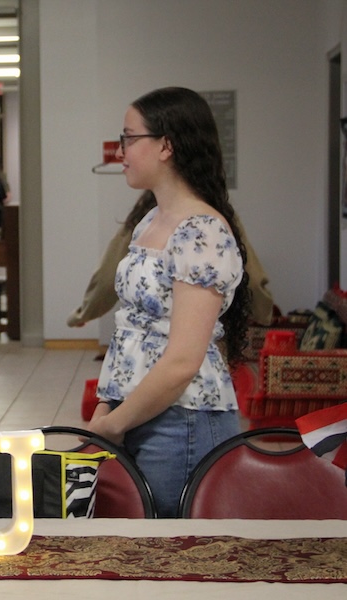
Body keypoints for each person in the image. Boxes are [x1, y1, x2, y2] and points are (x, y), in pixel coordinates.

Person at [86, 87, 252, 518]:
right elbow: (131, 332)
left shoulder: (202, 232)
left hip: (183, 423)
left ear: (166, 145)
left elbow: (182, 361)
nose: (121, 150)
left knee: (172, 557)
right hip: (138, 411)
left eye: (129, 137)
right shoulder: (151, 218)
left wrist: (115, 424)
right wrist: (109, 406)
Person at [67, 190, 275, 328]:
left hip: (161, 351)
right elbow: (253, 280)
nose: (122, 153)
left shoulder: (149, 215)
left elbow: (107, 277)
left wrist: (83, 313)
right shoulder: (219, 215)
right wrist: (264, 314)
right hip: (206, 345)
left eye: (131, 139)